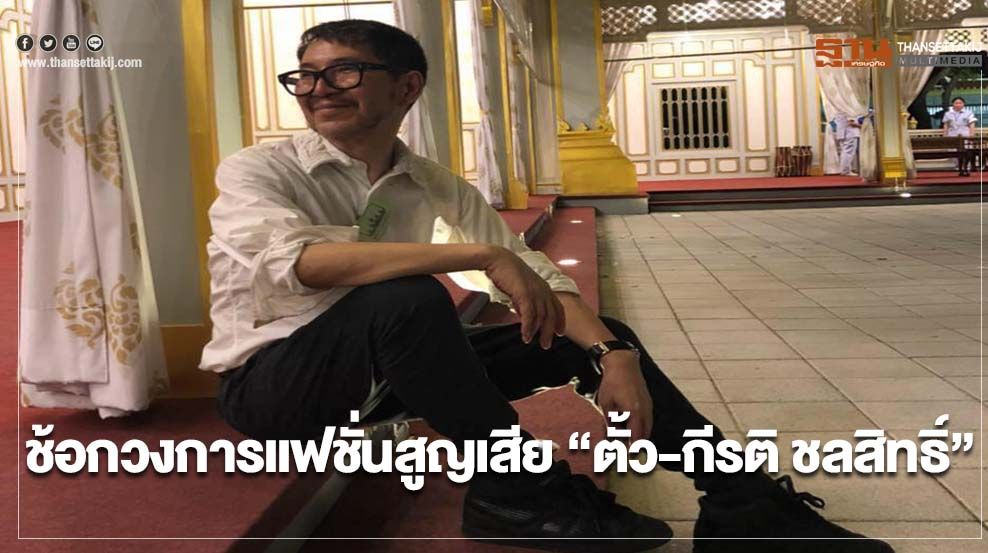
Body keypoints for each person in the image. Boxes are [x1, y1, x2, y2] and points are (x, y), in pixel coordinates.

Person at [201, 19, 894, 553]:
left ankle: (741, 501)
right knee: (406, 299)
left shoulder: (428, 180)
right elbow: (299, 262)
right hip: (277, 387)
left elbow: (529, 271)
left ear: (406, 87)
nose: (318, 89)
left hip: (383, 379)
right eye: (305, 76)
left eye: (343, 71)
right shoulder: (259, 170)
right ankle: (512, 489)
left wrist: (612, 354)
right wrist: (478, 254)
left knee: (589, 336)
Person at [832, 112, 862, 176]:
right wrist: (862, 126)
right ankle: (845, 170)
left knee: (844, 152)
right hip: (850, 132)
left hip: (842, 133)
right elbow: (851, 123)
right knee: (848, 152)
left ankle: (845, 170)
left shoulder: (839, 111)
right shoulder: (849, 110)